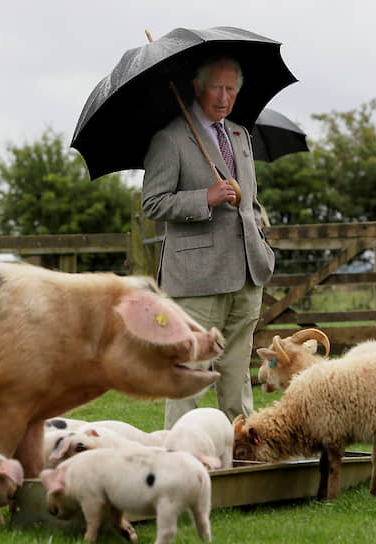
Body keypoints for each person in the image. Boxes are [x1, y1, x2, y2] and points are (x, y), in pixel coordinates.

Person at [141, 56, 275, 428]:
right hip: (196, 278)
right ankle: (180, 460)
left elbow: (250, 201)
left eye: (231, 89)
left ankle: (242, 456)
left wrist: (261, 242)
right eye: (216, 87)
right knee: (190, 372)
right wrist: (206, 198)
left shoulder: (240, 135)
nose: (224, 96)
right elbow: (153, 203)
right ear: (197, 87)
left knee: (237, 373)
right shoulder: (169, 139)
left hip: (249, 272)